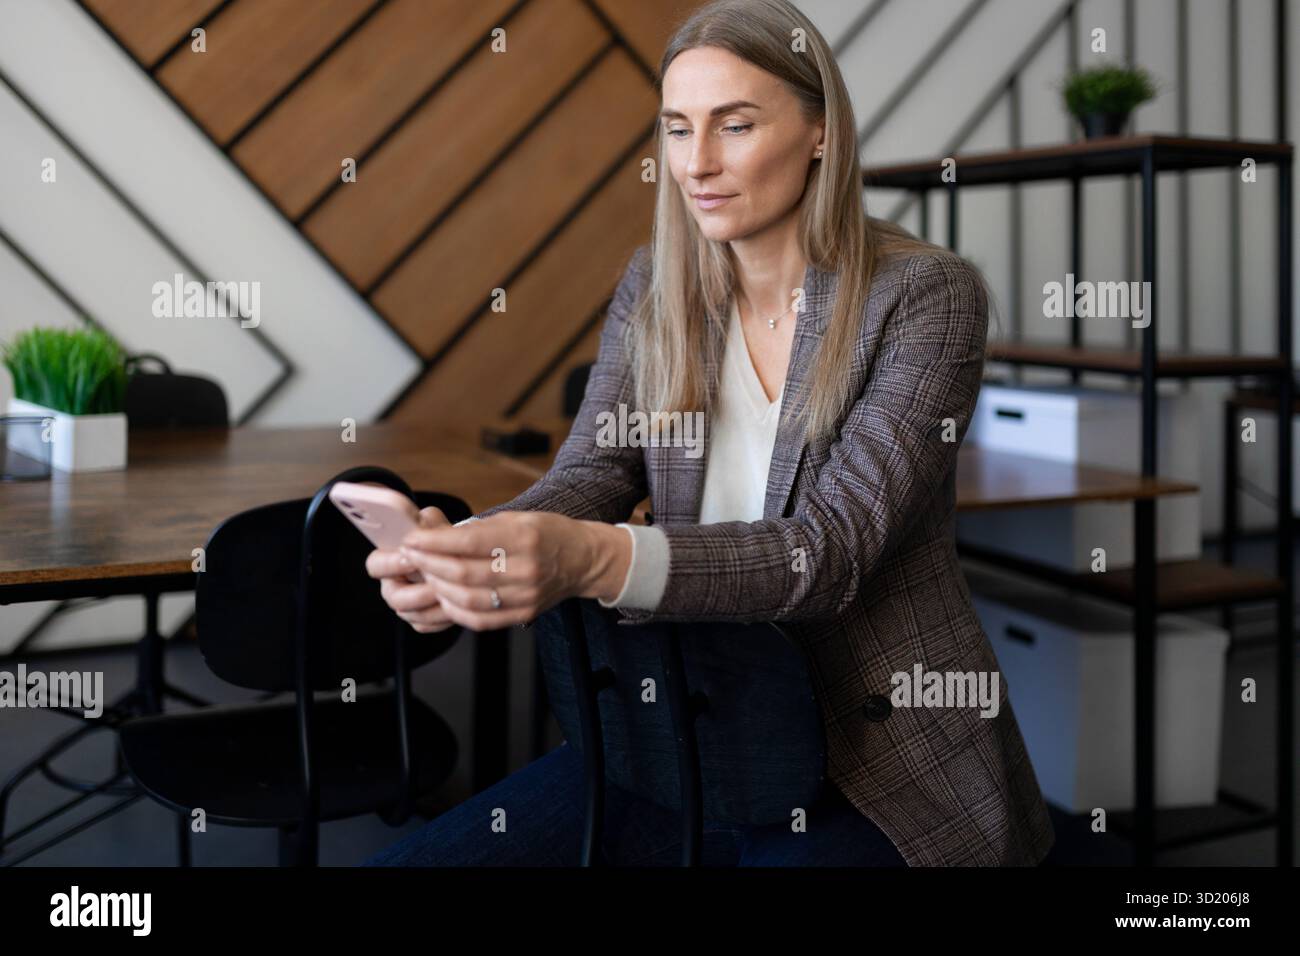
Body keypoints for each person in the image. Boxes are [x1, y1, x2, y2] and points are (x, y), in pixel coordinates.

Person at [364, 0, 1054, 867]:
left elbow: (828, 553)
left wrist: (592, 558)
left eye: (735, 125)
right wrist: (481, 546)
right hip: (693, 720)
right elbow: (595, 470)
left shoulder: (925, 297)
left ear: (819, 133)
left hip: (873, 752)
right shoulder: (656, 286)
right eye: (678, 129)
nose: (698, 164)